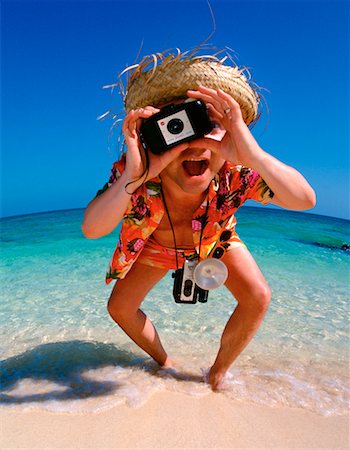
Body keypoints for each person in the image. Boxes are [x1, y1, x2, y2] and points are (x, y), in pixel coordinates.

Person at [82, 50, 316, 390]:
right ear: (153, 134)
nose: (194, 142)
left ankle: (217, 374)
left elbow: (304, 200)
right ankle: (165, 361)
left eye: (210, 125)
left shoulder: (237, 171)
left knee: (257, 297)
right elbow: (92, 229)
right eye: (177, 126)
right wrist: (132, 178)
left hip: (215, 239)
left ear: (234, 133)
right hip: (158, 245)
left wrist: (254, 155)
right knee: (120, 308)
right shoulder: (138, 174)